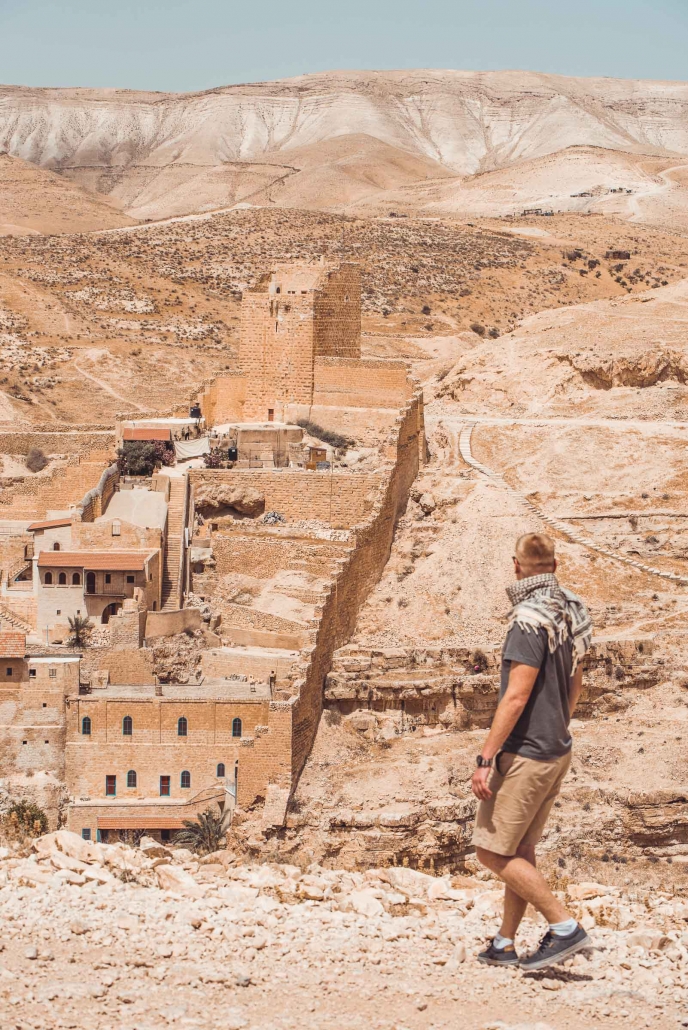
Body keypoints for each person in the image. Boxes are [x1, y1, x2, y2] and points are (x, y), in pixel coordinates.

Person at [471, 532, 593, 971]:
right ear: (555, 567)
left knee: (492, 852)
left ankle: (564, 928)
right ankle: (504, 942)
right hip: (557, 747)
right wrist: (559, 723)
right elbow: (577, 680)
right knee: (520, 848)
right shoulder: (572, 607)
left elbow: (516, 697)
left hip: (528, 752)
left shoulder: (528, 619)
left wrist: (487, 757)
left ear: (515, 565)